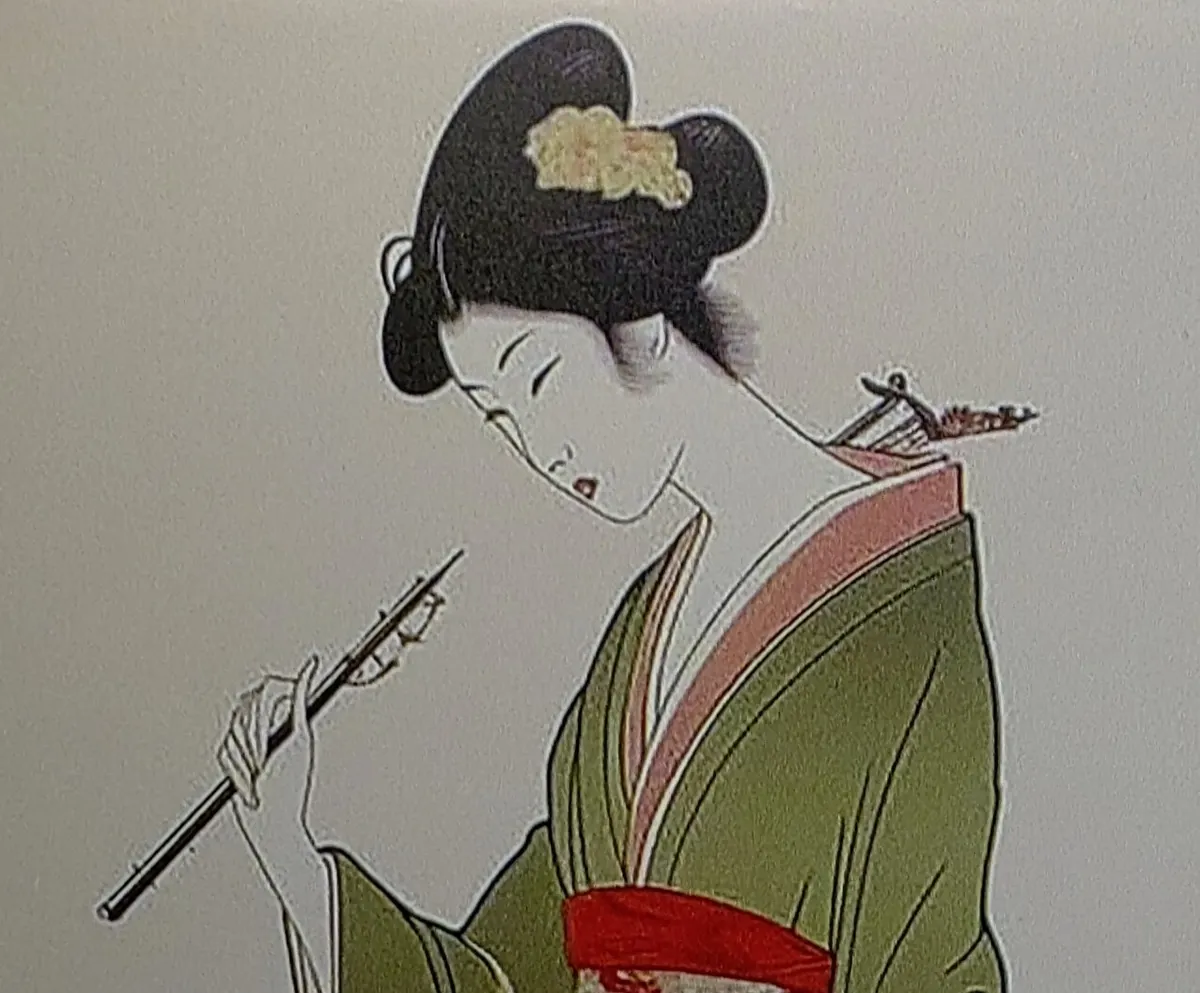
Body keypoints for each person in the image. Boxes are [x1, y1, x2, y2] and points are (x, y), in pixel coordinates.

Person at [217, 20, 1010, 993]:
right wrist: (295, 862)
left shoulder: (908, 623)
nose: (539, 450)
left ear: (637, 311)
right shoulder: (639, 640)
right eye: (499, 418)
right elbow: (508, 975)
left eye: (538, 380)